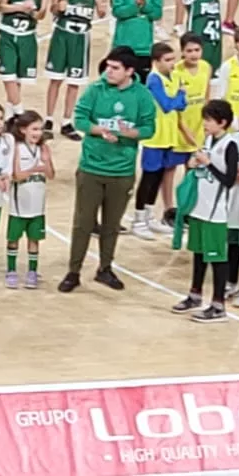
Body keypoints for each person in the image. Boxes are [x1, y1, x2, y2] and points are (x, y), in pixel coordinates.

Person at [59, 48, 154, 293]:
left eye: (115, 68)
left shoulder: (142, 95)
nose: (108, 71)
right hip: (91, 167)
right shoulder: (95, 90)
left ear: (129, 71)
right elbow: (79, 119)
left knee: (112, 225)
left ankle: (105, 268)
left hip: (122, 171)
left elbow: (149, 128)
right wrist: (100, 131)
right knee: (83, 223)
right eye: (108, 66)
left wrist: (130, 133)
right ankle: (73, 272)